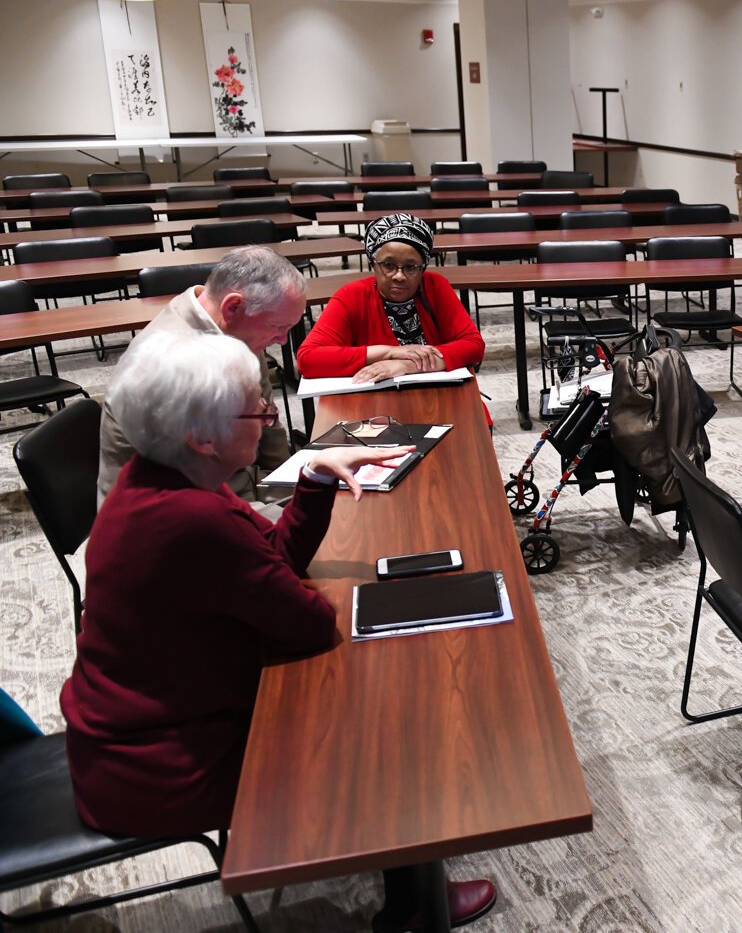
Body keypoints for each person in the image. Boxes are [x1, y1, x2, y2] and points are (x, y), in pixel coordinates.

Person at [62, 332, 499, 932]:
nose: (270, 418)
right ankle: (415, 907)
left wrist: (316, 477)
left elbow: (270, 559)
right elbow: (308, 624)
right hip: (155, 764)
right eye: (256, 408)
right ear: (203, 436)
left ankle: (409, 884)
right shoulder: (192, 518)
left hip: (143, 726)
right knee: (389, 716)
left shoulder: (165, 475)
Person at [97, 244, 306, 507]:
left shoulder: (237, 330)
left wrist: (289, 478)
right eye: (279, 326)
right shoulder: (169, 366)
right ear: (233, 307)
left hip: (239, 486)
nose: (284, 340)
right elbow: (203, 496)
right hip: (176, 513)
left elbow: (268, 420)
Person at [297, 212, 485, 385]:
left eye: (411, 267)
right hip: (375, 402)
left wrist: (406, 366)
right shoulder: (351, 296)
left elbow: (474, 345)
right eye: (388, 265)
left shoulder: (435, 286)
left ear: (423, 268)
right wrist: (390, 352)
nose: (399, 276)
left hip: (440, 392)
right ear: (373, 264)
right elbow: (308, 359)